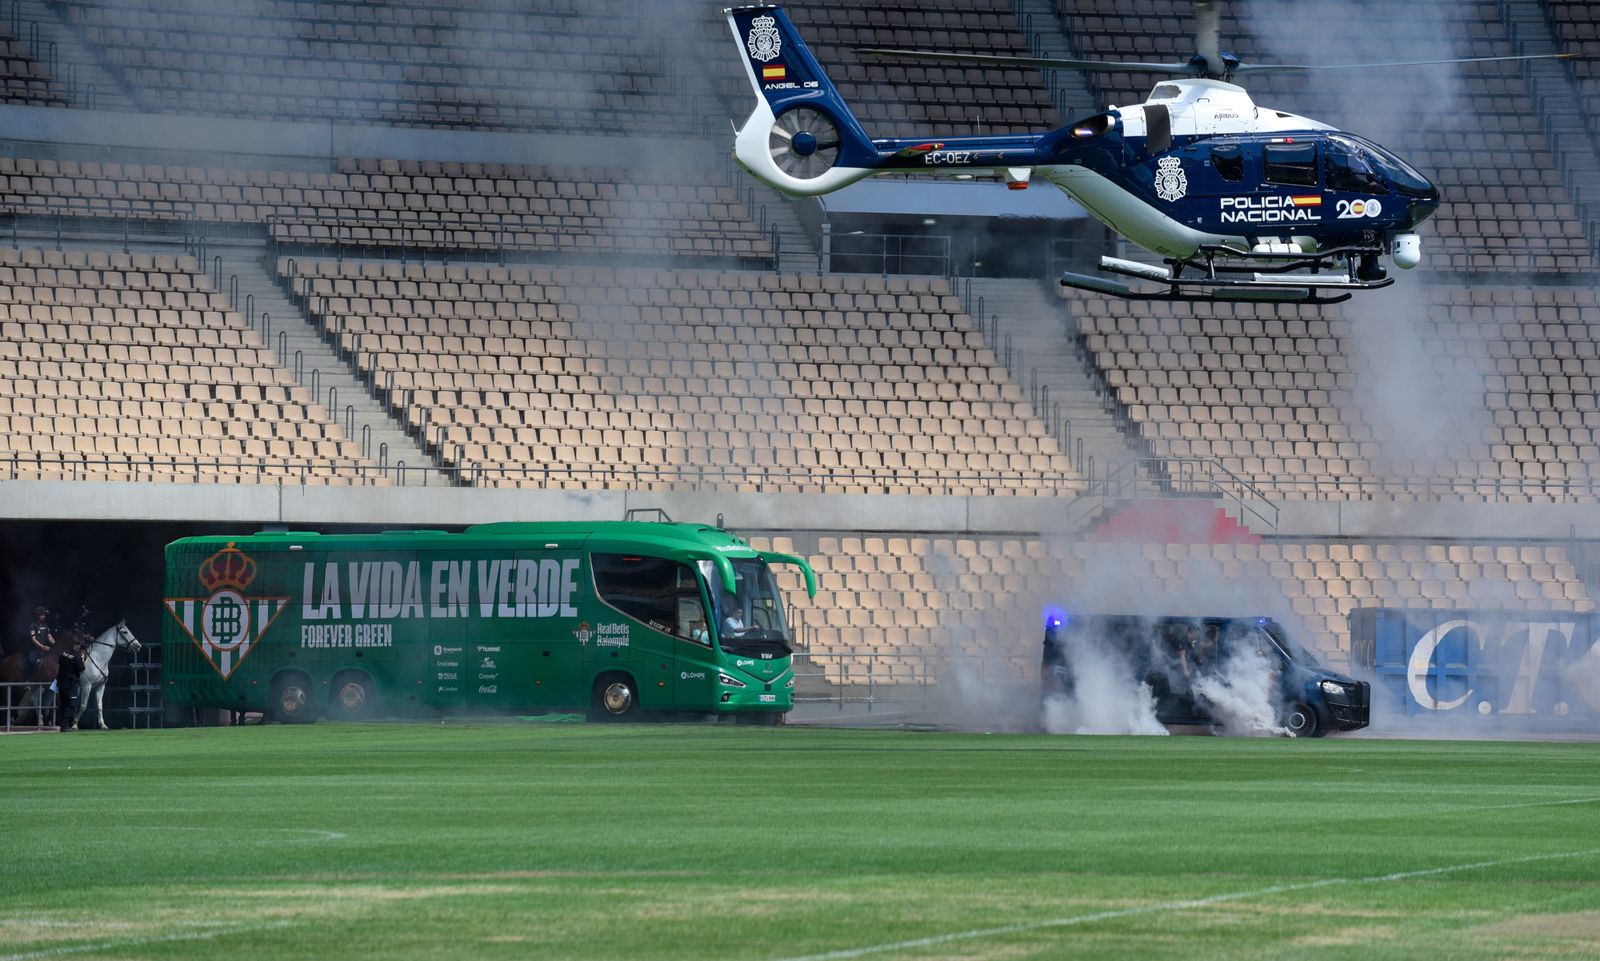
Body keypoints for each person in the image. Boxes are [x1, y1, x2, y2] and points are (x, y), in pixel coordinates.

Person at [54, 639, 86, 731]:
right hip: (70, 684)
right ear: (81, 649)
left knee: (63, 703)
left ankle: (62, 724)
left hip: (60, 683)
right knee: (71, 704)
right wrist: (82, 660)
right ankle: (65, 725)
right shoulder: (77, 658)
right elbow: (82, 670)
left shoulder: (64, 653)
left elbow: (59, 662)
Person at [23, 606, 54, 678]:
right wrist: (42, 647)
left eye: (44, 614)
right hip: (34, 650)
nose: (44, 616)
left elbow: (50, 637)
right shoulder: (33, 626)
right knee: (34, 661)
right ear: (37, 615)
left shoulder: (46, 626)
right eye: (42, 614)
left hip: (45, 650)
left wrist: (55, 644)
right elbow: (33, 639)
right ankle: (28, 679)